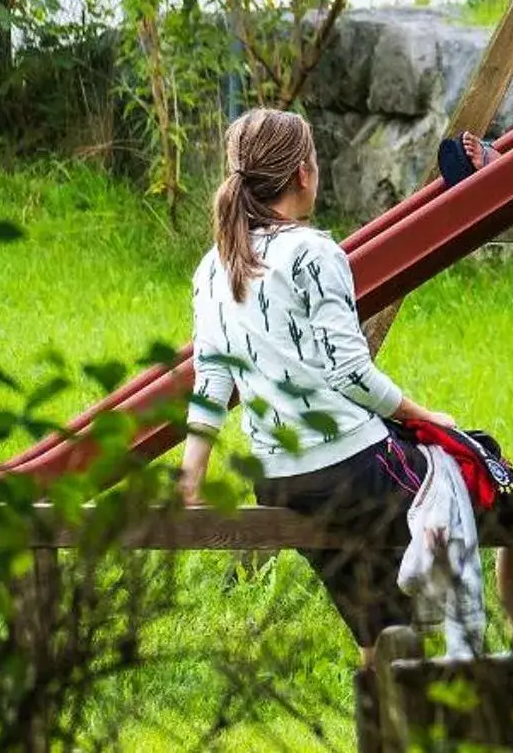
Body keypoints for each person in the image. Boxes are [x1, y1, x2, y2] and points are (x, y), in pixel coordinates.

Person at [179, 109, 460, 666]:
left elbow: (212, 377)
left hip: (281, 482)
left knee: (380, 630)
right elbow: (350, 373)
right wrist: (425, 417)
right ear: (305, 173)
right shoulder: (313, 252)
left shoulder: (214, 266)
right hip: (353, 468)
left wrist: (191, 477)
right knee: (502, 489)